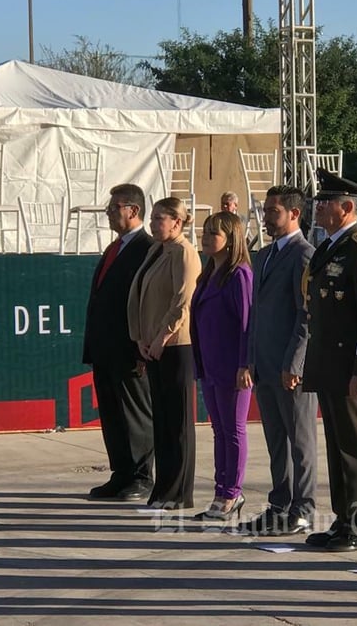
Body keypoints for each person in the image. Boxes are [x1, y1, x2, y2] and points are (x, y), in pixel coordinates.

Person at [302, 170, 357, 552]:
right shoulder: (328, 247)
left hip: (351, 367)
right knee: (338, 446)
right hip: (328, 362)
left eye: (326, 202)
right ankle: (342, 520)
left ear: (347, 208)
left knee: (355, 445)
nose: (318, 208)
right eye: (318, 201)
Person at [237, 185, 318, 536]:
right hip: (265, 364)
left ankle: (303, 508)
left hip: (290, 367)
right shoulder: (265, 254)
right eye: (266, 210)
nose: (267, 217)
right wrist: (250, 358)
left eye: (274, 211)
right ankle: (279, 503)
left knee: (300, 440)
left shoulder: (303, 255)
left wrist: (295, 364)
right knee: (275, 439)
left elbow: (306, 317)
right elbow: (256, 314)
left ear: (294, 214)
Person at [83, 184, 155, 502]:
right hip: (106, 347)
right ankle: (121, 472)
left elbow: (147, 301)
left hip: (129, 348)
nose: (110, 214)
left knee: (134, 413)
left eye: (114, 208)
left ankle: (141, 476)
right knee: (112, 413)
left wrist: (142, 345)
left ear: (133, 210)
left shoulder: (146, 248)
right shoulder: (115, 248)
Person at [127, 196, 201, 510]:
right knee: (163, 422)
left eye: (160, 218)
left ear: (178, 222)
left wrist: (162, 337)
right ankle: (163, 490)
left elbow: (182, 302)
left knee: (179, 423)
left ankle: (179, 493)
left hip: (176, 346)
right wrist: (141, 339)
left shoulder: (184, 252)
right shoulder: (157, 250)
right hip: (153, 346)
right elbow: (141, 296)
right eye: (153, 217)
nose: (154, 223)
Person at [191, 211, 253, 521]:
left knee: (233, 431)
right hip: (210, 364)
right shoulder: (207, 273)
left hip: (232, 366)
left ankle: (232, 492)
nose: (204, 239)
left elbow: (246, 325)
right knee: (219, 431)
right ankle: (220, 489)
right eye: (204, 232)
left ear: (230, 240)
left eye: (212, 234)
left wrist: (245, 364)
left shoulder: (239, 275)